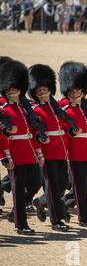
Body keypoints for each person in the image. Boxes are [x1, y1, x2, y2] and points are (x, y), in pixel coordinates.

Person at [0, 60, 44, 235]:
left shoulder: (25, 108)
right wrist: (5, 156)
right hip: (15, 153)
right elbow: (2, 137)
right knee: (17, 191)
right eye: (9, 89)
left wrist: (39, 152)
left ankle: (16, 213)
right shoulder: (3, 109)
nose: (12, 92)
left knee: (36, 182)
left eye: (15, 89)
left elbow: (32, 132)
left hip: (30, 152)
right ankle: (21, 224)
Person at [28, 64, 70, 231]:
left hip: (60, 150)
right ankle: (56, 220)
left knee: (62, 184)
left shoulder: (56, 107)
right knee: (52, 186)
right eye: (39, 91)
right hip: (48, 152)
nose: (43, 93)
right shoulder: (36, 110)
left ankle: (43, 201)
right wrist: (40, 147)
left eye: (45, 89)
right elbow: (34, 132)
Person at [59, 61, 87, 228]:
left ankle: (59, 205)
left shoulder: (86, 110)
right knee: (80, 186)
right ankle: (84, 217)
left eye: (78, 91)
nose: (75, 93)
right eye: (72, 91)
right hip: (75, 153)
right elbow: (63, 133)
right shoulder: (66, 111)